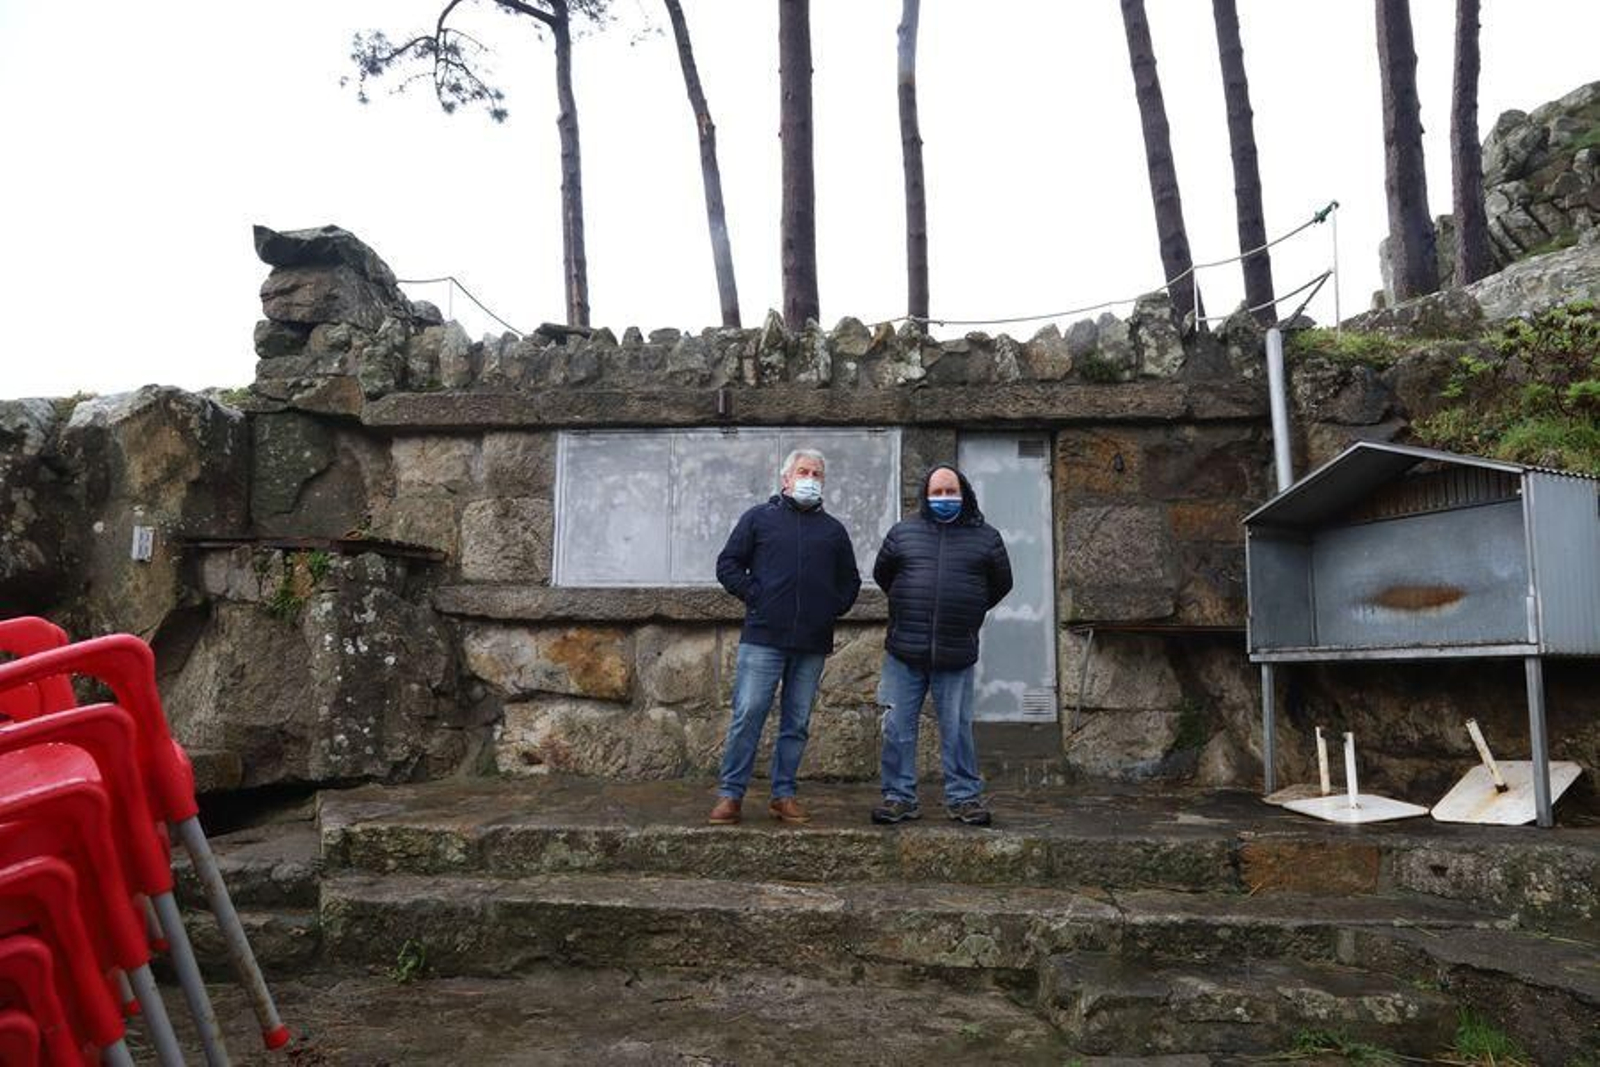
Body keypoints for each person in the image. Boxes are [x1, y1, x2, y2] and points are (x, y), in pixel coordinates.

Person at [708, 448, 861, 825]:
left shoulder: (833, 531)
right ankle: (731, 795)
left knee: (797, 722)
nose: (809, 479)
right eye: (802, 472)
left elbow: (850, 581)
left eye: (816, 474)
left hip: (812, 641)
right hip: (763, 636)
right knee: (748, 714)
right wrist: (756, 596)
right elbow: (728, 564)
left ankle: (784, 794)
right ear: (786, 479)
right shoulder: (759, 518)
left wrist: (829, 609)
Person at [870, 465, 1012, 827]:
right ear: (925, 495)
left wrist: (968, 609)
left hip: (956, 650)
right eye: (937, 492)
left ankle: (963, 798)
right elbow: (883, 575)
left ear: (964, 494)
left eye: (951, 492)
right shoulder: (903, 533)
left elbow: (1001, 584)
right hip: (904, 650)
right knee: (897, 728)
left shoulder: (987, 538)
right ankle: (899, 797)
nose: (944, 498)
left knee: (957, 729)